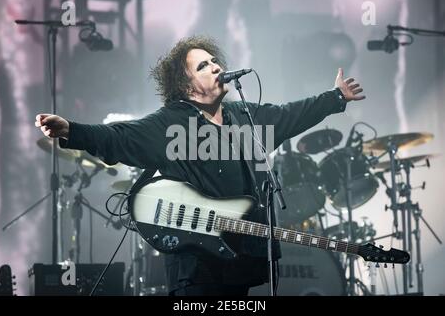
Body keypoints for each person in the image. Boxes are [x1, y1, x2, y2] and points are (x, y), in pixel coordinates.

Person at [35, 35, 365, 296]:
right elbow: (119, 137)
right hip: (197, 265)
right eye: (204, 65)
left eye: (215, 60)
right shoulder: (170, 123)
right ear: (186, 84)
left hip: (241, 259)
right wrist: (71, 130)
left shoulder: (244, 116)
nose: (216, 67)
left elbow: (291, 114)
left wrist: (335, 98)